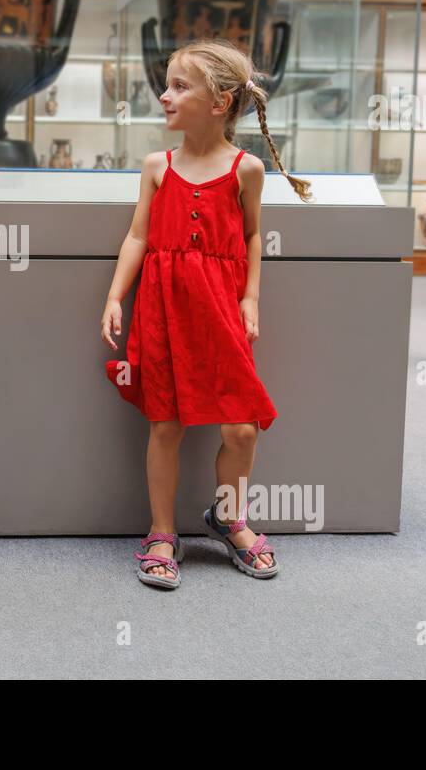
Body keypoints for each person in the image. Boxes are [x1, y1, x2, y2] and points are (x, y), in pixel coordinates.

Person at [101, 38, 314, 589]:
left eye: (178, 86)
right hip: (163, 310)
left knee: (242, 428)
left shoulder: (247, 170)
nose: (165, 96)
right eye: (167, 85)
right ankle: (162, 531)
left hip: (221, 310)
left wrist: (250, 297)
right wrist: (115, 296)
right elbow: (138, 236)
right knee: (165, 424)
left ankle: (228, 516)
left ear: (219, 102)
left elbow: (251, 237)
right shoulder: (157, 166)